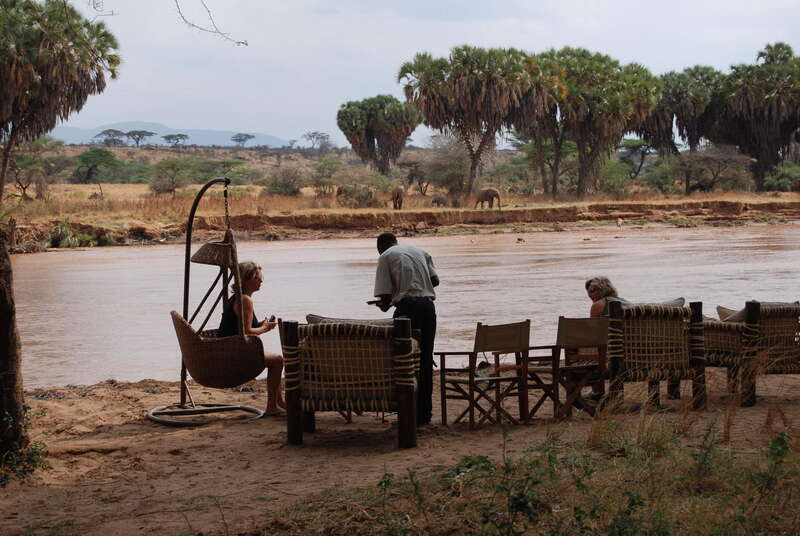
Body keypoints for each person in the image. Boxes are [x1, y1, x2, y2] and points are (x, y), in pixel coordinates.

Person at [372, 232, 438, 426]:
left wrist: (385, 303)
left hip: (407, 310)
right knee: (425, 359)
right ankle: (424, 414)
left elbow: (384, 297)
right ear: (395, 241)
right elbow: (435, 281)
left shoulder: (385, 257)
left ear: (380, 247)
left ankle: (406, 412)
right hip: (428, 307)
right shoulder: (419, 251)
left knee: (402, 361)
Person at [218, 261, 285, 416]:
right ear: (246, 279)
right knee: (277, 361)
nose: (261, 281)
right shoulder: (245, 300)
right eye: (257, 278)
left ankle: (279, 403)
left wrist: (260, 324)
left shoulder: (238, 298)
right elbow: (247, 331)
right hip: (235, 353)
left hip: (228, 348)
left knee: (275, 360)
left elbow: (241, 326)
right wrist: (265, 328)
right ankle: (272, 406)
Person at [583, 276, 627, 400]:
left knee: (579, 350)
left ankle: (596, 391)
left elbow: (593, 334)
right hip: (628, 352)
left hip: (611, 356)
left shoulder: (598, 305)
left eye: (593, 291)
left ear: (603, 290)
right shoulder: (624, 302)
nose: (589, 295)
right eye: (588, 292)